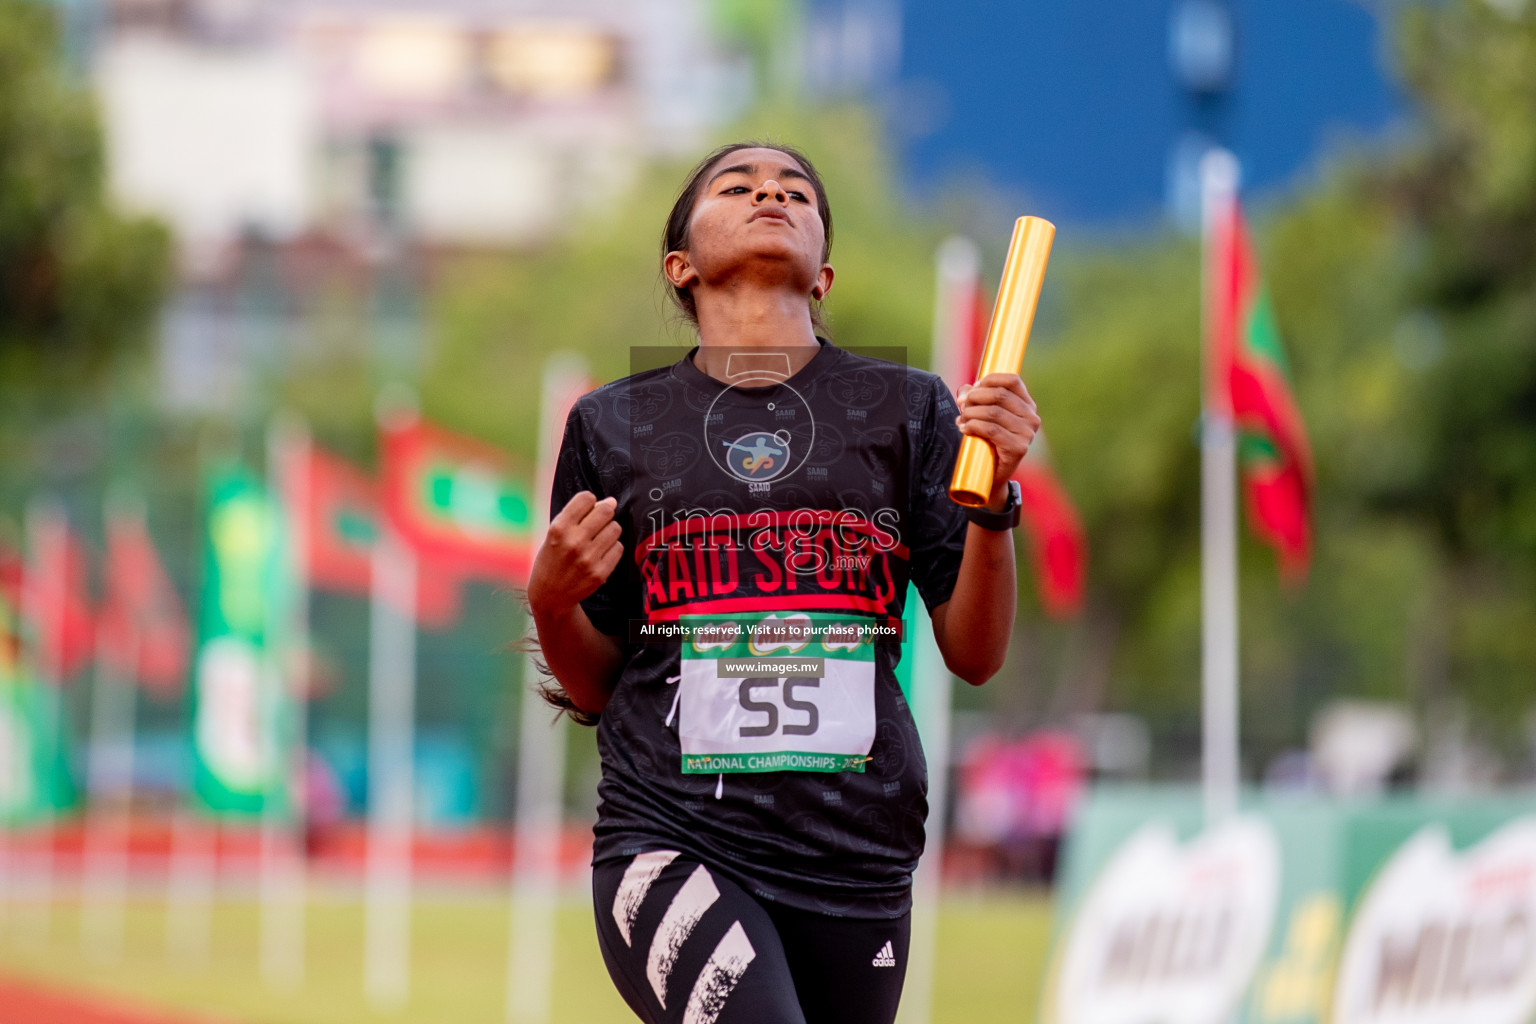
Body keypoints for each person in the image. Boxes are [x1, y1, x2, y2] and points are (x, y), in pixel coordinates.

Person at [526, 141, 1040, 1024]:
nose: (771, 190)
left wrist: (995, 502)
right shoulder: (612, 423)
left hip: (859, 856)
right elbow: (596, 684)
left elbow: (977, 655)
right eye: (739, 185)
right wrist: (548, 598)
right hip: (675, 835)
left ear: (824, 274)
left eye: (796, 190)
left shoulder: (912, 410)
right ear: (679, 266)